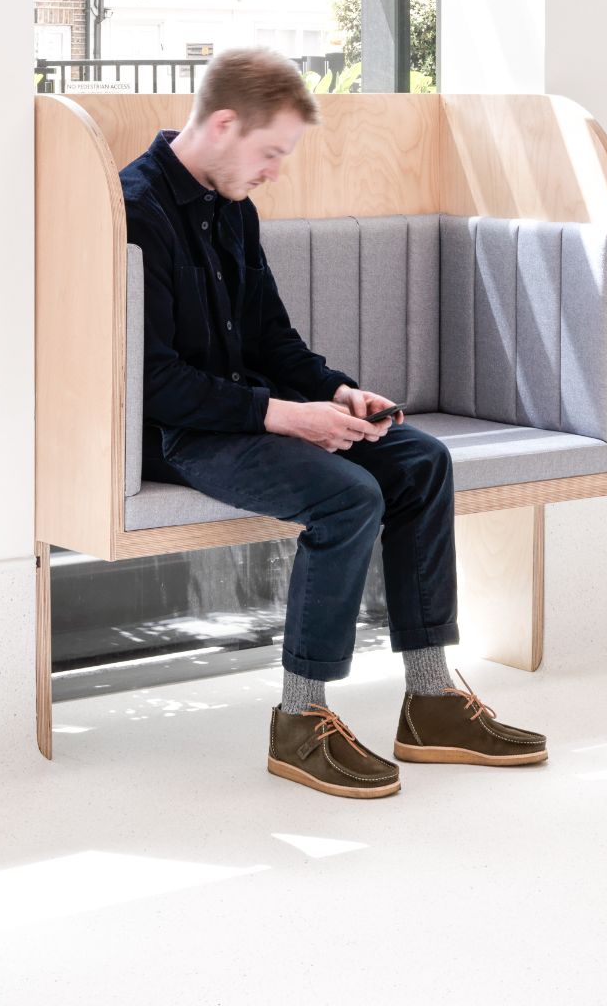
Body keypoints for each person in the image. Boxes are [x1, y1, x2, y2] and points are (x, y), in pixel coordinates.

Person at [121, 46, 546, 799]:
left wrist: (340, 394)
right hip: (183, 436)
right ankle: (299, 720)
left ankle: (431, 700)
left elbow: (272, 342)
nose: (275, 171)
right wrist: (288, 417)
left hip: (254, 416)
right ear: (223, 124)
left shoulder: (235, 210)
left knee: (418, 460)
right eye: (271, 152)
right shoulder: (133, 211)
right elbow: (151, 382)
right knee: (347, 496)